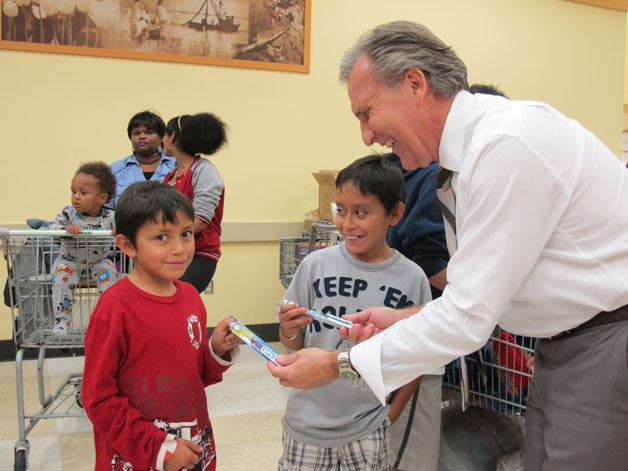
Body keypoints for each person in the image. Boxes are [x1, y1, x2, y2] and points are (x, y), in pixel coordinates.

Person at [268, 21, 628, 471]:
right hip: (562, 345)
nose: (367, 136)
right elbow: (480, 290)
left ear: (415, 84)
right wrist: (403, 318)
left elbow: (468, 316)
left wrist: (340, 364)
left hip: (607, 342)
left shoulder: (504, 146)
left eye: (366, 113)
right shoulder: (460, 163)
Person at [277, 154, 435, 471]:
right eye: (341, 211)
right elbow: (293, 345)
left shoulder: (412, 278)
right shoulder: (314, 265)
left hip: (368, 425)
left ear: (395, 213)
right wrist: (289, 329)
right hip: (306, 422)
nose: (347, 224)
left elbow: (418, 360)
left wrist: (389, 417)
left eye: (361, 212)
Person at [82, 181, 241, 471]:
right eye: (161, 238)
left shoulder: (191, 297)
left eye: (185, 234)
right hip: (138, 452)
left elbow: (193, 375)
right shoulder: (114, 308)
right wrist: (159, 448)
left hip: (191, 443)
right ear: (127, 245)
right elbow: (98, 398)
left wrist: (215, 349)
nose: (179, 248)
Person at [49, 162, 118, 335]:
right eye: (73, 191)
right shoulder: (68, 213)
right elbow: (53, 227)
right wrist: (66, 231)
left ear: (102, 198)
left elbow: (126, 230)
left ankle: (106, 319)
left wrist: (121, 232)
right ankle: (62, 321)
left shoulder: (111, 217)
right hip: (69, 262)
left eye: (83, 192)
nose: (76, 197)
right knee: (61, 279)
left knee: (109, 277)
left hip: (98, 263)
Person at [162, 112, 227, 293]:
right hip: (174, 250)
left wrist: (163, 234)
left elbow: (199, 221)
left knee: (178, 298)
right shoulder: (171, 175)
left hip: (200, 254)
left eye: (166, 133)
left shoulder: (204, 171)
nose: (163, 138)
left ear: (173, 137)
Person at [109, 110, 175, 208]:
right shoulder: (114, 170)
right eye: (136, 133)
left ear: (161, 137)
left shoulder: (177, 166)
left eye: (149, 132)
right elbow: (105, 211)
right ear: (130, 138)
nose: (142, 137)